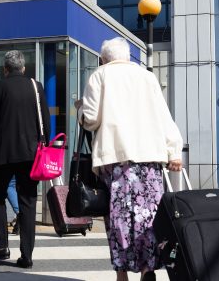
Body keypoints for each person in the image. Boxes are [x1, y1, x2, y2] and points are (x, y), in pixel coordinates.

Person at [76, 37, 183, 281]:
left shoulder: (100, 75)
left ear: (103, 58)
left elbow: (91, 119)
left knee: (119, 219)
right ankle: (147, 269)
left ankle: (122, 275)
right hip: (149, 159)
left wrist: (80, 108)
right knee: (149, 217)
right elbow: (163, 115)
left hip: (117, 158)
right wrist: (173, 151)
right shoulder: (147, 77)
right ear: (128, 56)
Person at [0, 50, 50, 269]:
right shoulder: (36, 87)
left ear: (5, 69)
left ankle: (2, 247)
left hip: (3, 154)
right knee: (28, 201)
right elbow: (45, 121)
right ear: (24, 68)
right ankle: (26, 254)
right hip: (31, 154)